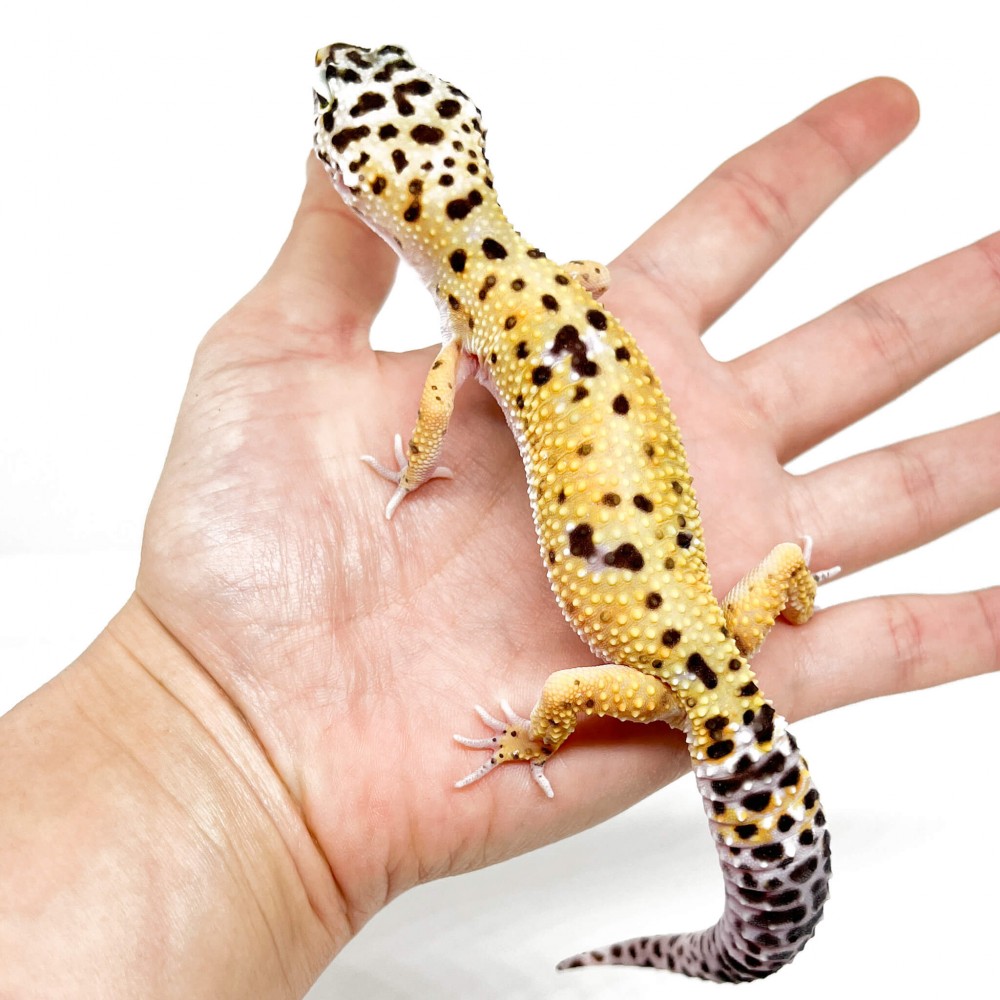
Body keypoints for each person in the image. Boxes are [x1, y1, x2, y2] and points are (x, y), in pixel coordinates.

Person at [0, 77, 996, 997]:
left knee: (558, 696)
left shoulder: (470, 333)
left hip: (676, 652)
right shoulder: (552, 276)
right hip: (709, 623)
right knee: (765, 576)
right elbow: (595, 273)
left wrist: (416, 479)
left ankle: (728, 927)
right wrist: (800, 590)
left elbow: (434, 425)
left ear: (368, 190)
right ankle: (735, 905)